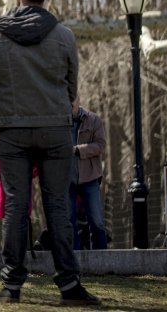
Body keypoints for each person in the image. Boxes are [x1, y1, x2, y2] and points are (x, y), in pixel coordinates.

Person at [0, 0, 99, 306]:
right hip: (56, 132)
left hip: (12, 133)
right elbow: (72, 90)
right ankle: (69, 285)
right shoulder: (64, 36)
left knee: (15, 208)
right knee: (58, 207)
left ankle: (12, 286)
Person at [69, 98, 108, 250]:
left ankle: (102, 260)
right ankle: (73, 261)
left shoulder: (93, 119)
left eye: (72, 99)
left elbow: (100, 145)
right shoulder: (58, 122)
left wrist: (79, 150)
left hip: (90, 177)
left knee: (96, 220)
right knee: (68, 221)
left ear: (78, 100)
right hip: (67, 180)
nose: (69, 103)